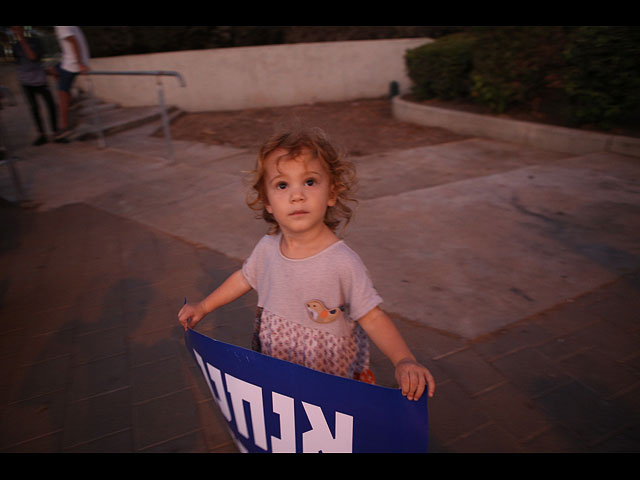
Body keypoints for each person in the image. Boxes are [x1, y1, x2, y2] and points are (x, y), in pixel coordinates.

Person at [178, 128, 435, 401]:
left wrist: (404, 359)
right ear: (267, 202)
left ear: (332, 193)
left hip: (325, 369)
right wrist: (204, 306)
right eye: (282, 185)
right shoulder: (267, 246)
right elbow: (244, 277)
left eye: (310, 182)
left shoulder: (342, 262)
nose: (297, 195)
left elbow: (371, 316)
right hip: (277, 356)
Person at [10, 26, 58, 145]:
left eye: (18, 27)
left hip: (40, 79)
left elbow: (32, 57)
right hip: (26, 81)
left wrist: (22, 40)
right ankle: (42, 134)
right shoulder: (15, 46)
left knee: (51, 104)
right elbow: (19, 63)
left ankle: (55, 132)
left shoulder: (36, 41)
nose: (17, 30)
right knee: (34, 108)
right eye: (14, 28)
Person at [51, 26, 90, 142]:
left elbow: (74, 41)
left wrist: (80, 64)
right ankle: (71, 98)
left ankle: (63, 127)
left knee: (62, 94)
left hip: (71, 65)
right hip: (67, 62)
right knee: (53, 70)